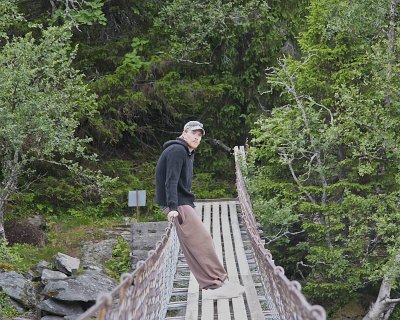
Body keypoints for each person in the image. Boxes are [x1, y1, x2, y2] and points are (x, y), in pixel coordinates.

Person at [155, 120, 245, 299]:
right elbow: (170, 180)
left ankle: (217, 283)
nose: (197, 137)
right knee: (201, 240)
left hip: (183, 202)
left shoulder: (187, 152)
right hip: (178, 205)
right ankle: (215, 286)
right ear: (184, 133)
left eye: (200, 134)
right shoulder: (177, 150)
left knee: (195, 244)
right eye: (193, 133)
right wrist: (172, 207)